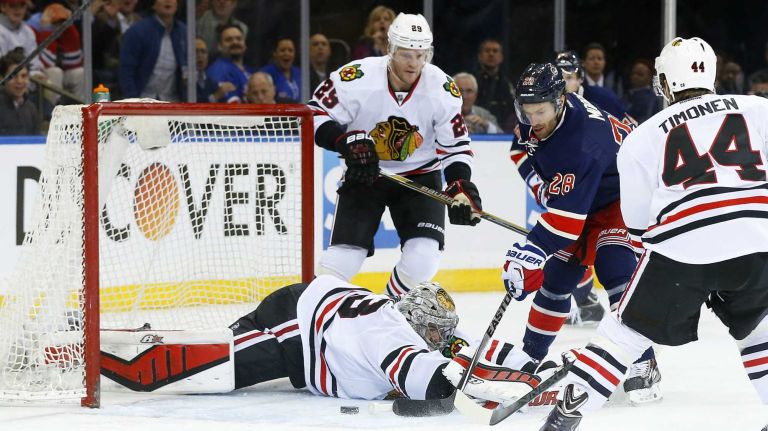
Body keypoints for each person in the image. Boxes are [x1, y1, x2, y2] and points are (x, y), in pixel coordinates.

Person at [542, 36, 768, 431]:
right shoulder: (759, 108)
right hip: (759, 237)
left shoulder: (643, 135)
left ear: (665, 81)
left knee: (622, 333)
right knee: (760, 330)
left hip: (683, 246)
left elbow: (637, 223)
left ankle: (563, 419)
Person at [500, 62, 659, 407]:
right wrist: (541, 186)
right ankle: (530, 358)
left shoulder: (583, 141)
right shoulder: (537, 120)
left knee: (614, 267)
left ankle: (644, 361)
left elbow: (567, 224)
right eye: (526, 112)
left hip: (623, 196)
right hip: (586, 193)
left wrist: (531, 249)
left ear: (560, 100)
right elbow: (519, 149)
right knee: (557, 279)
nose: (533, 120)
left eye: (540, 111)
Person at [308, 13, 482, 297]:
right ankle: (313, 317)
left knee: (423, 258)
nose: (414, 63)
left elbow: (456, 147)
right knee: (342, 260)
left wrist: (460, 186)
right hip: (367, 172)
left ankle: (387, 313)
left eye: (420, 54)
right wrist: (346, 143)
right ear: (389, 50)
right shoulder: (356, 77)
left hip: (420, 176)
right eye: (405, 54)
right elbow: (313, 114)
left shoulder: (442, 88)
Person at [231, 274, 540, 402]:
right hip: (298, 326)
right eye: (435, 329)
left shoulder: (424, 329)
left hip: (320, 309)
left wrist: (536, 367)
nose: (441, 337)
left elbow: (476, 346)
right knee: (213, 366)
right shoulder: (390, 332)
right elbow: (428, 383)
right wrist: (486, 386)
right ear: (417, 321)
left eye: (442, 329)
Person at [546, 50, 636, 327]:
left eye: (570, 77)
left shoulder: (603, 99)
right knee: (566, 258)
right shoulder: (546, 108)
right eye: (560, 78)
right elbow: (520, 151)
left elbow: (628, 134)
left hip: (613, 191)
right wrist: (541, 184)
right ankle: (586, 301)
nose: (566, 83)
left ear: (580, 78)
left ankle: (631, 324)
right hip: (577, 187)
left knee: (612, 258)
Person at [118, 0, 186, 101]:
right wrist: (133, 101)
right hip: (142, 100)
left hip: (174, 101)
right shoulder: (137, 31)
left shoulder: (184, 32)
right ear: (154, 4)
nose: (168, 1)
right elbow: (126, 69)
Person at [474, 38, 516, 132]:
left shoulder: (508, 83)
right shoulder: (472, 82)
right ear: (480, 56)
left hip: (503, 132)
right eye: (487, 51)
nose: (491, 54)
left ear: (501, 57)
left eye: (495, 51)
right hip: (477, 129)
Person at [206, 23, 252, 103]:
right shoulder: (219, 70)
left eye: (239, 39)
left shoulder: (248, 70)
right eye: (229, 40)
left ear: (245, 44)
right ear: (220, 46)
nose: (235, 42)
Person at [0, 48, 39, 135]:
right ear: (2, 78)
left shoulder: (32, 109)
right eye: (13, 76)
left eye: (24, 76)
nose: (20, 81)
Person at [260, 38, 300, 103]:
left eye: (290, 50)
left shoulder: (300, 73)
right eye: (282, 50)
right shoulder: (265, 74)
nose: (286, 53)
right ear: (275, 53)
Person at [623, 58, 663, 123]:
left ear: (649, 77)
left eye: (640, 74)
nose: (635, 76)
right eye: (633, 73)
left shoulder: (653, 100)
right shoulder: (626, 95)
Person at [195, 37, 233, 102]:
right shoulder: (184, 81)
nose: (200, 55)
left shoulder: (211, 82)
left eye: (203, 52)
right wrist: (215, 96)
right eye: (195, 51)